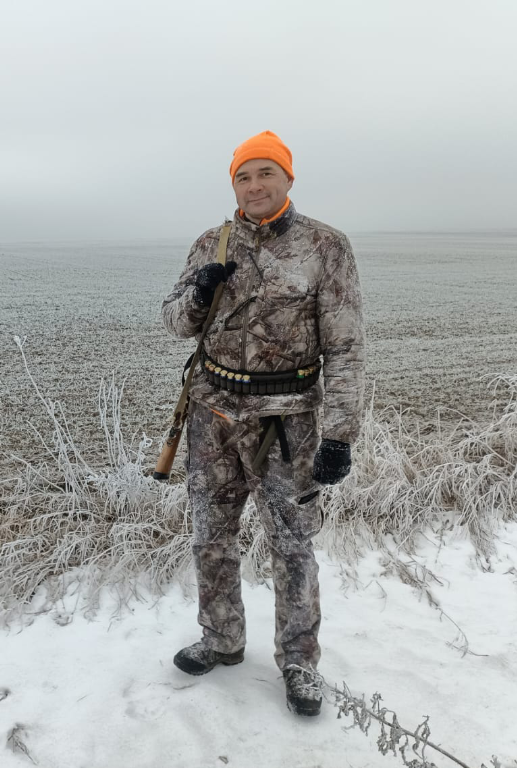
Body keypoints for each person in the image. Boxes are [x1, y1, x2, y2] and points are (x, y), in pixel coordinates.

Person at [161, 130, 365, 716]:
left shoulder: (326, 246)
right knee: (210, 535)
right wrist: (200, 294)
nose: (254, 185)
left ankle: (299, 661)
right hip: (213, 415)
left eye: (265, 173)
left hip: (288, 422)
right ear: (234, 185)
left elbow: (346, 346)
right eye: (243, 176)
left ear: (288, 179)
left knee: (293, 543)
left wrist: (339, 435)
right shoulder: (210, 243)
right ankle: (221, 639)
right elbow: (173, 321)